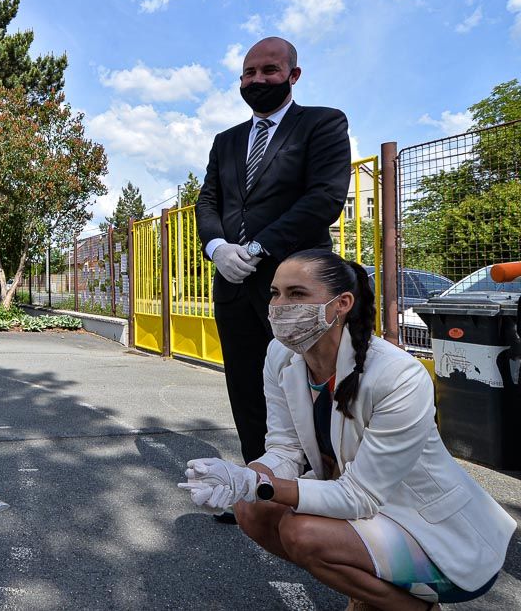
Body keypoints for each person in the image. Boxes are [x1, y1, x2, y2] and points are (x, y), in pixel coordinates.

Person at [178, 250, 514, 610]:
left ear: (341, 304)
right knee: (251, 509)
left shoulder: (398, 375)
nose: (279, 306)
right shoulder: (280, 355)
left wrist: (259, 484)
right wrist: (242, 478)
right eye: (275, 293)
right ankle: (368, 589)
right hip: (373, 519)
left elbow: (359, 496)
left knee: (301, 532)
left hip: (439, 537)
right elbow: (285, 449)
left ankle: (411, 606)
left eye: (297, 294)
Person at [196, 36, 352, 487]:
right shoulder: (226, 141)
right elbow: (208, 201)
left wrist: (258, 247)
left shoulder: (321, 124)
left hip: (299, 285)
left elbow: (324, 198)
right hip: (233, 283)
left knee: (308, 384)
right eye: (249, 73)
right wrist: (218, 249)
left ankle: (321, 486)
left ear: (293, 75)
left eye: (268, 71)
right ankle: (258, 483)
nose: (257, 80)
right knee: (246, 387)